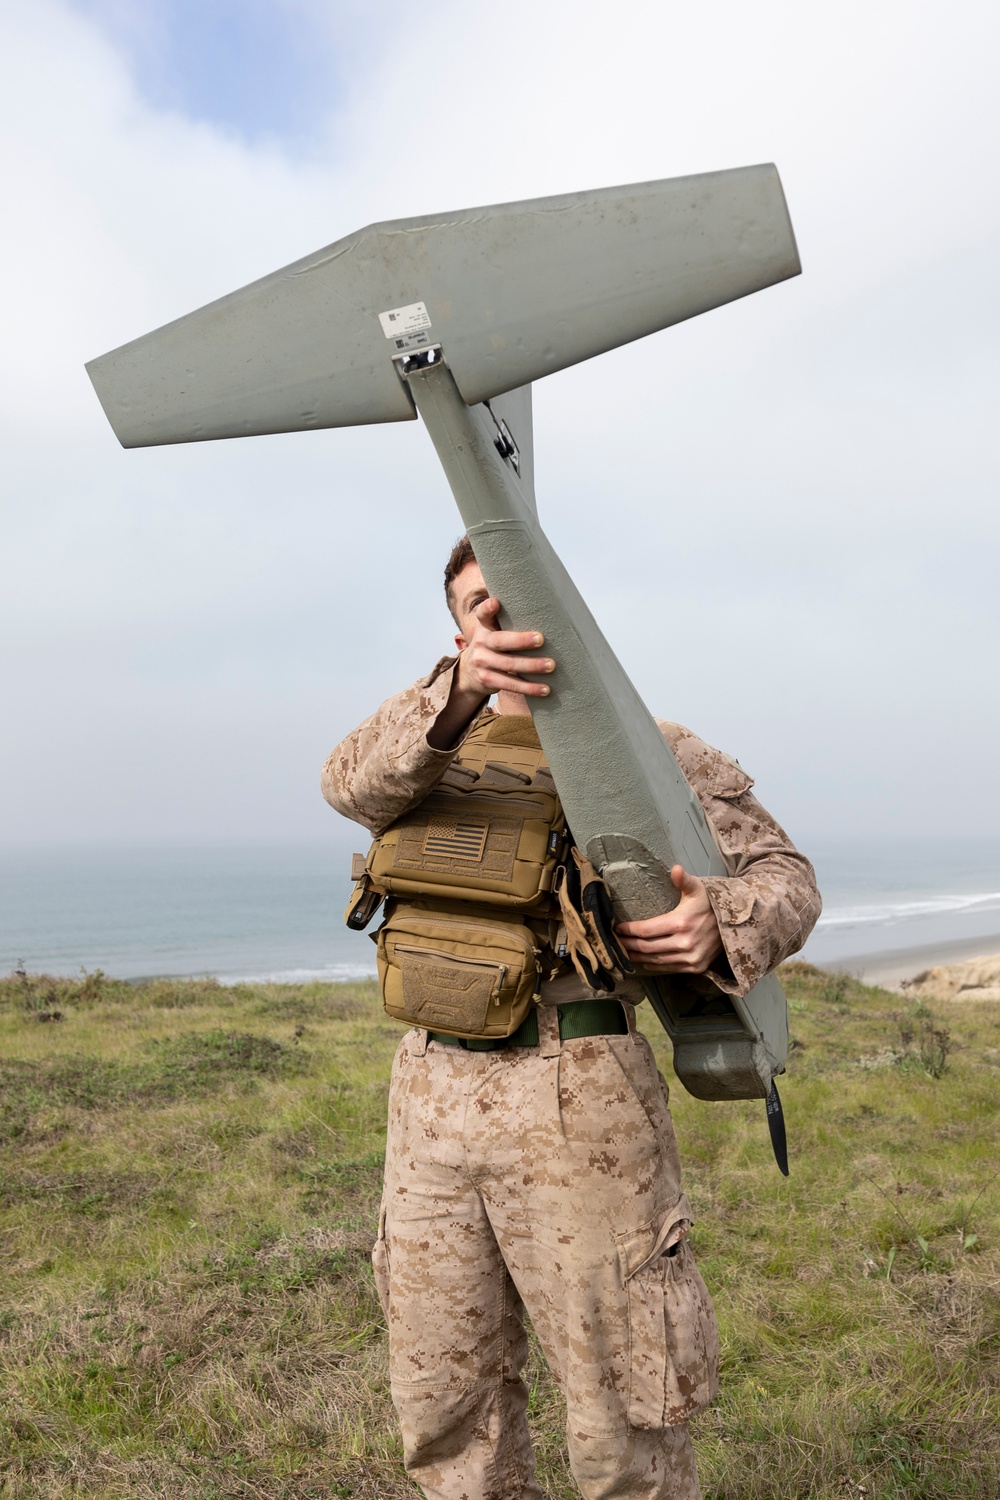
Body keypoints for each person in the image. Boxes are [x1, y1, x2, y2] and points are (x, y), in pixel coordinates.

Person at [322, 536, 821, 1500]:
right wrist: (457, 693)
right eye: (479, 608)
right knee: (442, 1398)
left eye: (517, 603)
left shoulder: (648, 746)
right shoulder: (425, 731)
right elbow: (347, 785)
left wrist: (714, 922)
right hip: (429, 1092)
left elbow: (787, 880)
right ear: (459, 625)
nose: (500, 623)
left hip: (577, 1088)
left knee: (622, 1403)